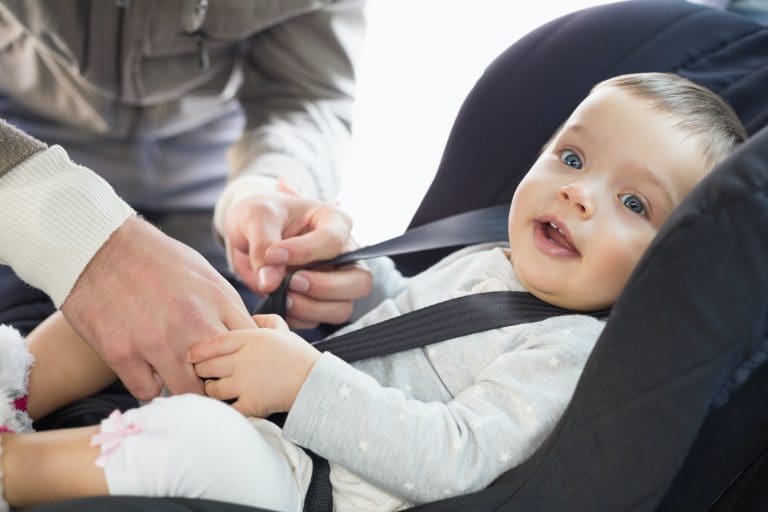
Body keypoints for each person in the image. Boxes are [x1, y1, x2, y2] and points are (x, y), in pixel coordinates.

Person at [0, 72, 747, 512]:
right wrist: (365, 292)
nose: (581, 194)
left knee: (196, 442)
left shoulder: (569, 347)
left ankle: (13, 469)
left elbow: (452, 454)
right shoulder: (497, 258)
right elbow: (420, 319)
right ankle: (14, 387)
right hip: (294, 402)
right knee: (150, 298)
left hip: (318, 484)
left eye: (635, 204)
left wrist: (305, 381)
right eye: (573, 157)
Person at [0, 0, 372, 401]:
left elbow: (305, 93)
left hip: (211, 184)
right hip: (24, 148)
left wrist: (265, 187)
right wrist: (78, 236)